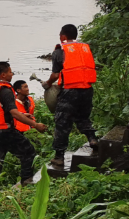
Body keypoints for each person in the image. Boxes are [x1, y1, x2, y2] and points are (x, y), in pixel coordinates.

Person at [41, 24, 99, 170]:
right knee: (83, 118)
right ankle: (92, 139)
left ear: (63, 36)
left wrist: (48, 84)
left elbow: (55, 75)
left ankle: (59, 157)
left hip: (70, 92)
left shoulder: (60, 50)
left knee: (62, 123)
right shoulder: (85, 48)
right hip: (87, 89)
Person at [0, 62, 47, 185]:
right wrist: (36, 125)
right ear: (3, 74)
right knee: (28, 152)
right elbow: (14, 113)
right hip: (4, 131)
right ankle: (26, 181)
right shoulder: (5, 91)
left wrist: (23, 116)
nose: (12, 74)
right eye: (10, 72)